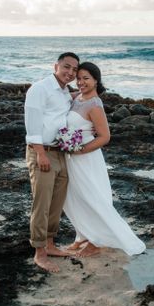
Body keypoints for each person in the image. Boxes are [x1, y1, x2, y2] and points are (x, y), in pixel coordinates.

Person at [63, 62, 146, 257]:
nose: (81, 82)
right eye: (79, 78)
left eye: (86, 78)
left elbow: (104, 137)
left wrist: (79, 149)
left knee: (92, 197)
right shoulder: (78, 97)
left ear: (96, 81)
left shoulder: (95, 104)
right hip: (71, 156)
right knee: (75, 197)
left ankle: (96, 241)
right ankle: (82, 235)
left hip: (86, 157)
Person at [24, 52, 79, 272]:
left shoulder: (65, 92)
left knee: (56, 203)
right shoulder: (40, 89)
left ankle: (50, 243)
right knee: (42, 203)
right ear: (55, 65)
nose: (70, 73)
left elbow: (63, 110)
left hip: (60, 152)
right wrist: (40, 153)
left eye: (75, 70)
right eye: (66, 67)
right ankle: (39, 253)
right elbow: (33, 123)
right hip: (42, 152)